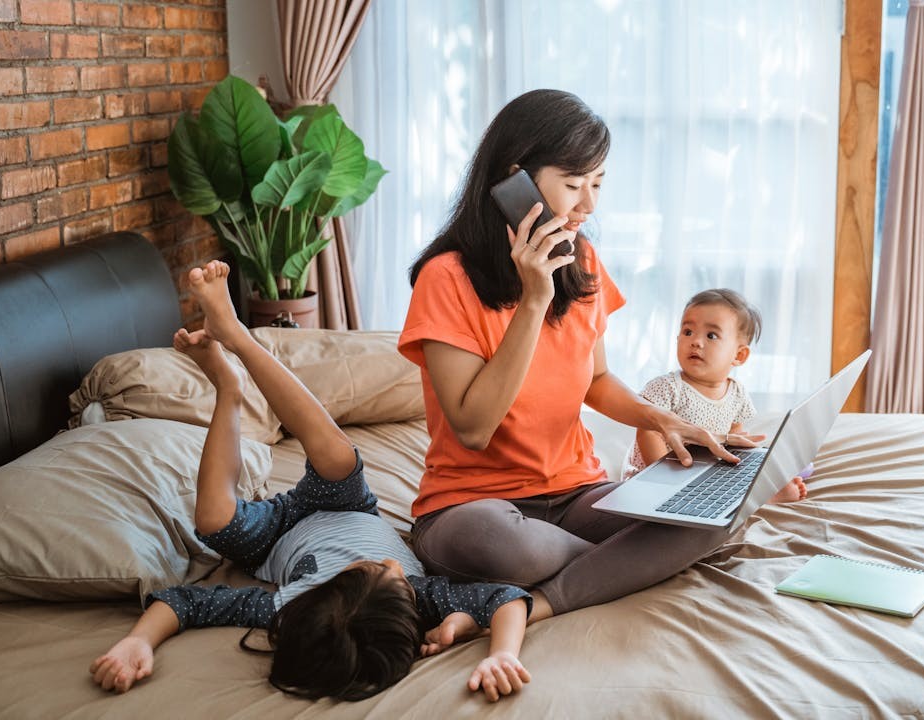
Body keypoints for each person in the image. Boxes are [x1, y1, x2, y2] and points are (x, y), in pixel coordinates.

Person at [90, 261, 535, 703]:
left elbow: (186, 603)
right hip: (344, 506)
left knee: (211, 519)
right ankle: (239, 338)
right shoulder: (418, 599)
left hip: (273, 539)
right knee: (339, 457)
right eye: (395, 574)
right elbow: (507, 599)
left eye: (375, 568)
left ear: (331, 584)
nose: (397, 564)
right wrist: (497, 651)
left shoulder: (285, 607)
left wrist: (138, 641)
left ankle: (229, 387)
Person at [399, 89, 762, 618]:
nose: (588, 206)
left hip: (574, 494)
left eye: (597, 184)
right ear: (513, 179)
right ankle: (629, 565)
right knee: (506, 545)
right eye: (573, 184)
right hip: (473, 507)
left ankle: (542, 602)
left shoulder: (583, 259)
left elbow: (597, 381)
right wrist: (533, 301)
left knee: (717, 509)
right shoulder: (446, 278)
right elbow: (473, 428)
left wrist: (664, 420)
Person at [623, 288, 811, 502]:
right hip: (652, 479)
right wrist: (665, 484)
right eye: (687, 332)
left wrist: (749, 455)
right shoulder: (666, 387)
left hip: (701, 474)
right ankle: (761, 497)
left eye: (711, 335)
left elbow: (734, 437)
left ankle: (759, 493)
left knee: (736, 475)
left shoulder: (737, 392)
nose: (695, 341)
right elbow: (648, 432)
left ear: (739, 355)